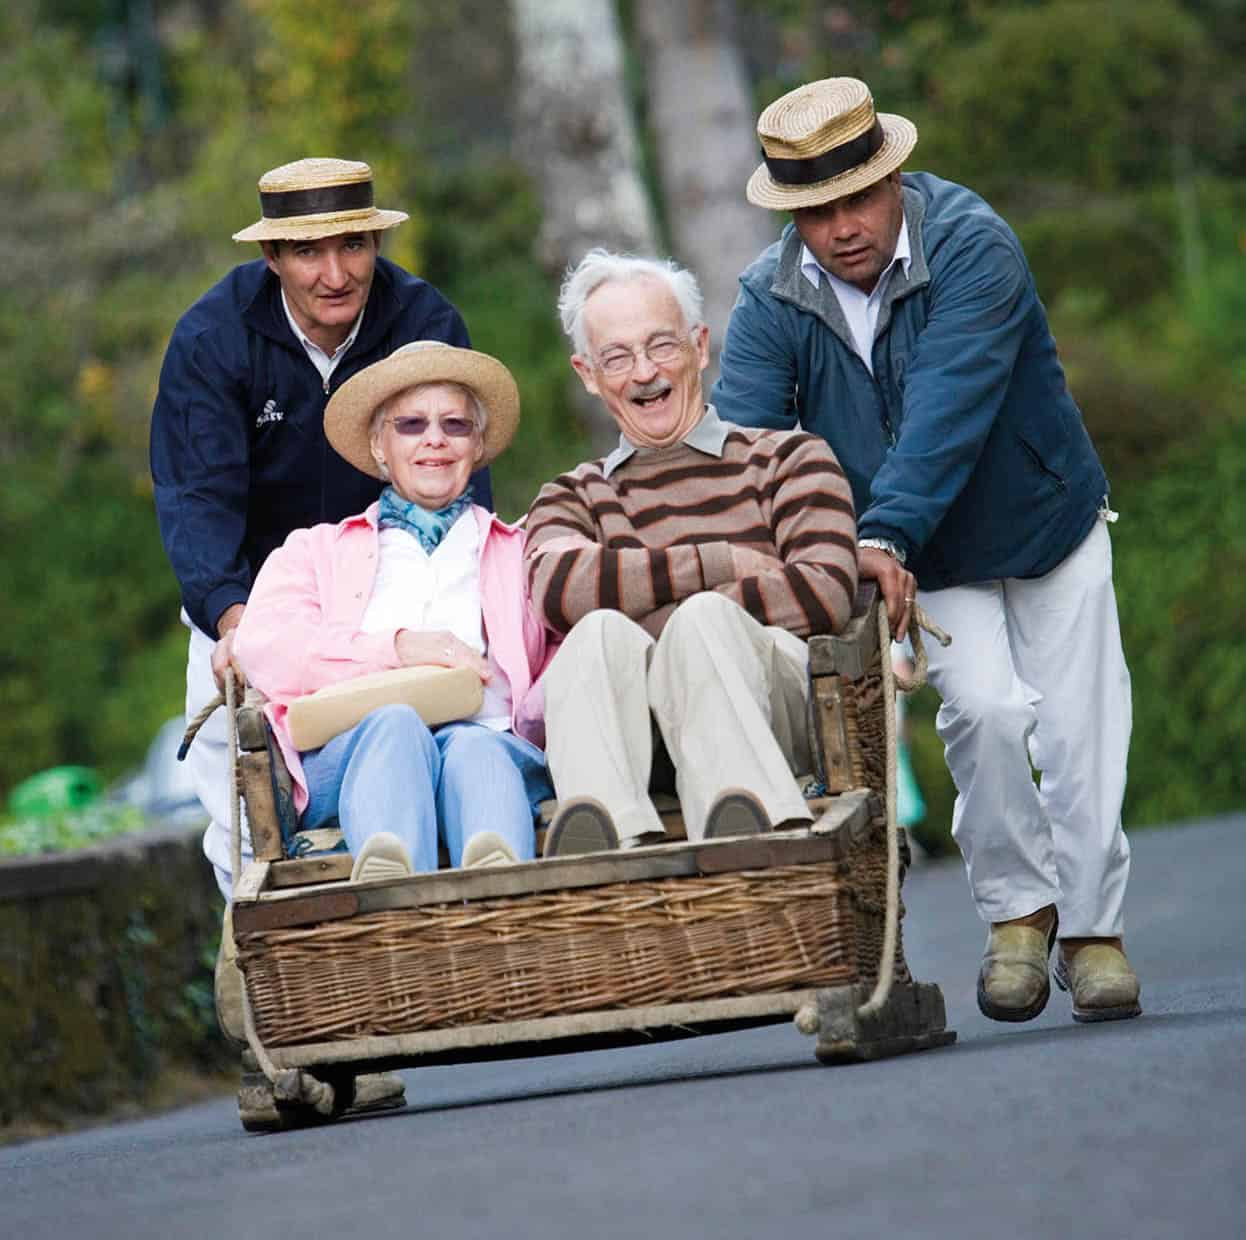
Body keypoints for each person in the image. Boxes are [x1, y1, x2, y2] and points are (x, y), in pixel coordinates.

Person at [713, 77, 1138, 1023]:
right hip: (916, 553)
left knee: (1080, 731)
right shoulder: (768, 297)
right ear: (793, 216)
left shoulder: (974, 242)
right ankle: (1020, 917)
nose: (842, 227)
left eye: (857, 198)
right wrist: (797, 557)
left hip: (1041, 517)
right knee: (984, 713)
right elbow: (745, 449)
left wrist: (877, 533)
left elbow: (949, 408)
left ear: (893, 174)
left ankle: (1096, 934)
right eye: (815, 212)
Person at [150, 157, 489, 898]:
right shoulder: (213, 339)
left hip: (398, 579)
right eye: (307, 252)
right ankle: (261, 951)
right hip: (251, 596)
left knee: (453, 734)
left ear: (376, 246)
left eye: (353, 247)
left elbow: (463, 467)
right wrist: (235, 624)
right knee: (231, 776)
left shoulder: (424, 321)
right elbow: (194, 497)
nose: (335, 273)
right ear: (272, 257)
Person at [524, 250, 858, 855]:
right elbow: (556, 589)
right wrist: (718, 563)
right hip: (642, 739)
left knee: (700, 625)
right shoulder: (572, 494)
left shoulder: (789, 458)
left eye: (662, 346)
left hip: (775, 716)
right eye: (617, 357)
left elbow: (824, 588)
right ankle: (607, 854)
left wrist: (665, 612)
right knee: (595, 632)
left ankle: (752, 840)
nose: (645, 372)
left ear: (700, 347)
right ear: (588, 374)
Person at [233, 341, 554, 880]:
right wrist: (399, 650)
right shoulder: (314, 551)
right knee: (397, 727)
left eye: (455, 425)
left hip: (487, 737)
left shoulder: (524, 550)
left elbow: (557, 661)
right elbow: (266, 647)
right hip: (356, 745)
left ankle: (499, 893)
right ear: (380, 447)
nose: (435, 439)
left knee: (475, 748)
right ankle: (396, 891)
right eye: (411, 424)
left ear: (476, 445)